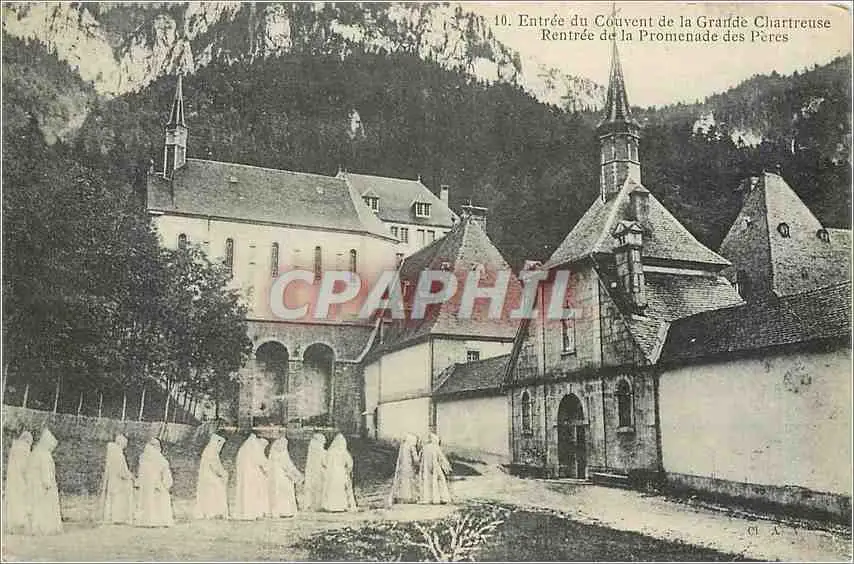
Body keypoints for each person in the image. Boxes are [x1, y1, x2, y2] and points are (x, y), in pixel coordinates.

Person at [25, 428, 62, 535]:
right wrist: (47, 483)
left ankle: (37, 527)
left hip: (35, 484)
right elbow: (46, 471)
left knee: (37, 506)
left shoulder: (36, 452)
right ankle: (46, 527)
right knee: (45, 506)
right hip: (43, 485)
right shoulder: (44, 454)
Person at [135, 438, 174, 527]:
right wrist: (167, 484)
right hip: (158, 484)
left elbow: (140, 474)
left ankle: (145, 521)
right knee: (160, 500)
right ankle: (160, 521)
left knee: (147, 502)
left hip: (146, 486)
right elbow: (166, 474)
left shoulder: (143, 458)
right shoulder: (160, 459)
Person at [100, 433, 135, 524]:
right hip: (119, 481)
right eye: (125, 444)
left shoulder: (112, 453)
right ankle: (118, 517)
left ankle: (113, 516)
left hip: (113, 480)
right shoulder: (119, 455)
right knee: (119, 499)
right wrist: (130, 476)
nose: (125, 446)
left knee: (114, 498)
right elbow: (121, 470)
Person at [233, 433, 268, 520]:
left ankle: (246, 513)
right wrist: (268, 469)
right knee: (253, 493)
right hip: (252, 474)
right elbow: (261, 460)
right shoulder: (255, 445)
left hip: (245, 474)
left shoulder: (247, 444)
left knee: (245, 493)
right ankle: (253, 513)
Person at [194, 434, 229, 519]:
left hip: (207, 476)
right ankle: (215, 512)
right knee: (219, 488)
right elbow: (215, 466)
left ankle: (211, 512)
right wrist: (224, 474)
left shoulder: (209, 449)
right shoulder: (212, 451)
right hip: (209, 477)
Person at [4, 430, 33, 533]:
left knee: (13, 500)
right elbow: (25, 466)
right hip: (21, 478)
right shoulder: (25, 449)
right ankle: (21, 523)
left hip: (12, 479)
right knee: (23, 499)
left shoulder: (14, 448)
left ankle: (12, 524)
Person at [267, 436, 303, 518]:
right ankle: (285, 511)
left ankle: (279, 511)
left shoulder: (274, 455)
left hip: (277, 477)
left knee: (278, 494)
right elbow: (287, 466)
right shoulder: (282, 454)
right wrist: (296, 475)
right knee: (285, 492)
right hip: (282, 477)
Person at [320, 433, 356, 512]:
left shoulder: (330, 452)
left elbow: (324, 462)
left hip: (331, 473)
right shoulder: (344, 452)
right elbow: (350, 463)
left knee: (331, 489)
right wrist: (348, 471)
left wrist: (328, 468)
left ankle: (330, 506)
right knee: (340, 489)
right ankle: (340, 506)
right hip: (340, 473)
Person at [387, 433, 420, 506]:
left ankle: (401, 496)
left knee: (402, 481)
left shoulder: (403, 446)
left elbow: (400, 458)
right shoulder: (412, 446)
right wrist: (418, 461)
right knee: (410, 481)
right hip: (409, 466)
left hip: (402, 466)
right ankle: (409, 497)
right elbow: (415, 458)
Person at [419, 433, 452, 504]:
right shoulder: (436, 447)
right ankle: (442, 498)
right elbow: (441, 458)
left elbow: (420, 458)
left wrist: (421, 468)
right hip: (435, 467)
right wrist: (447, 467)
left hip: (426, 468)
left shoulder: (425, 448)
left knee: (427, 482)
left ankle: (427, 498)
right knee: (440, 481)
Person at [301, 433, 326, 511]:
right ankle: (317, 505)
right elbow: (324, 462)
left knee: (310, 488)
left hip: (311, 471)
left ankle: (309, 504)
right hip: (319, 471)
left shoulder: (311, 450)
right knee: (318, 488)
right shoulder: (321, 451)